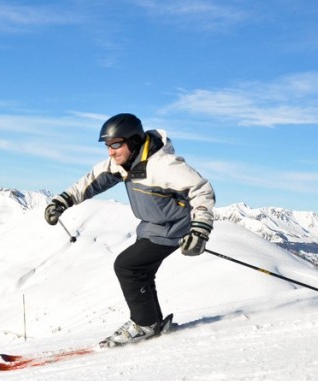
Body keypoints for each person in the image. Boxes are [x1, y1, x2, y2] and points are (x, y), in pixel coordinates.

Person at [44, 113, 215, 347]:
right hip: (152, 227)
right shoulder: (125, 164)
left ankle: (144, 324)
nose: (111, 152)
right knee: (139, 271)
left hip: (174, 228)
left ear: (133, 142)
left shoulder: (162, 165)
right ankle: (151, 322)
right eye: (107, 146)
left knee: (128, 266)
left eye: (116, 144)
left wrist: (200, 229)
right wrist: (63, 201)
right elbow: (93, 180)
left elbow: (201, 189)